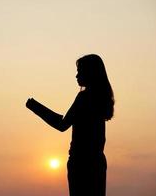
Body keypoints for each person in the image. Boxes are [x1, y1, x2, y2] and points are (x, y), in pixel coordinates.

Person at [26, 54, 114, 196]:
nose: (76, 75)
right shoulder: (101, 98)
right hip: (97, 162)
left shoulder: (84, 98)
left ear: (90, 73)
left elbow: (62, 125)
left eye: (80, 71)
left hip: (80, 163)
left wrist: (35, 107)